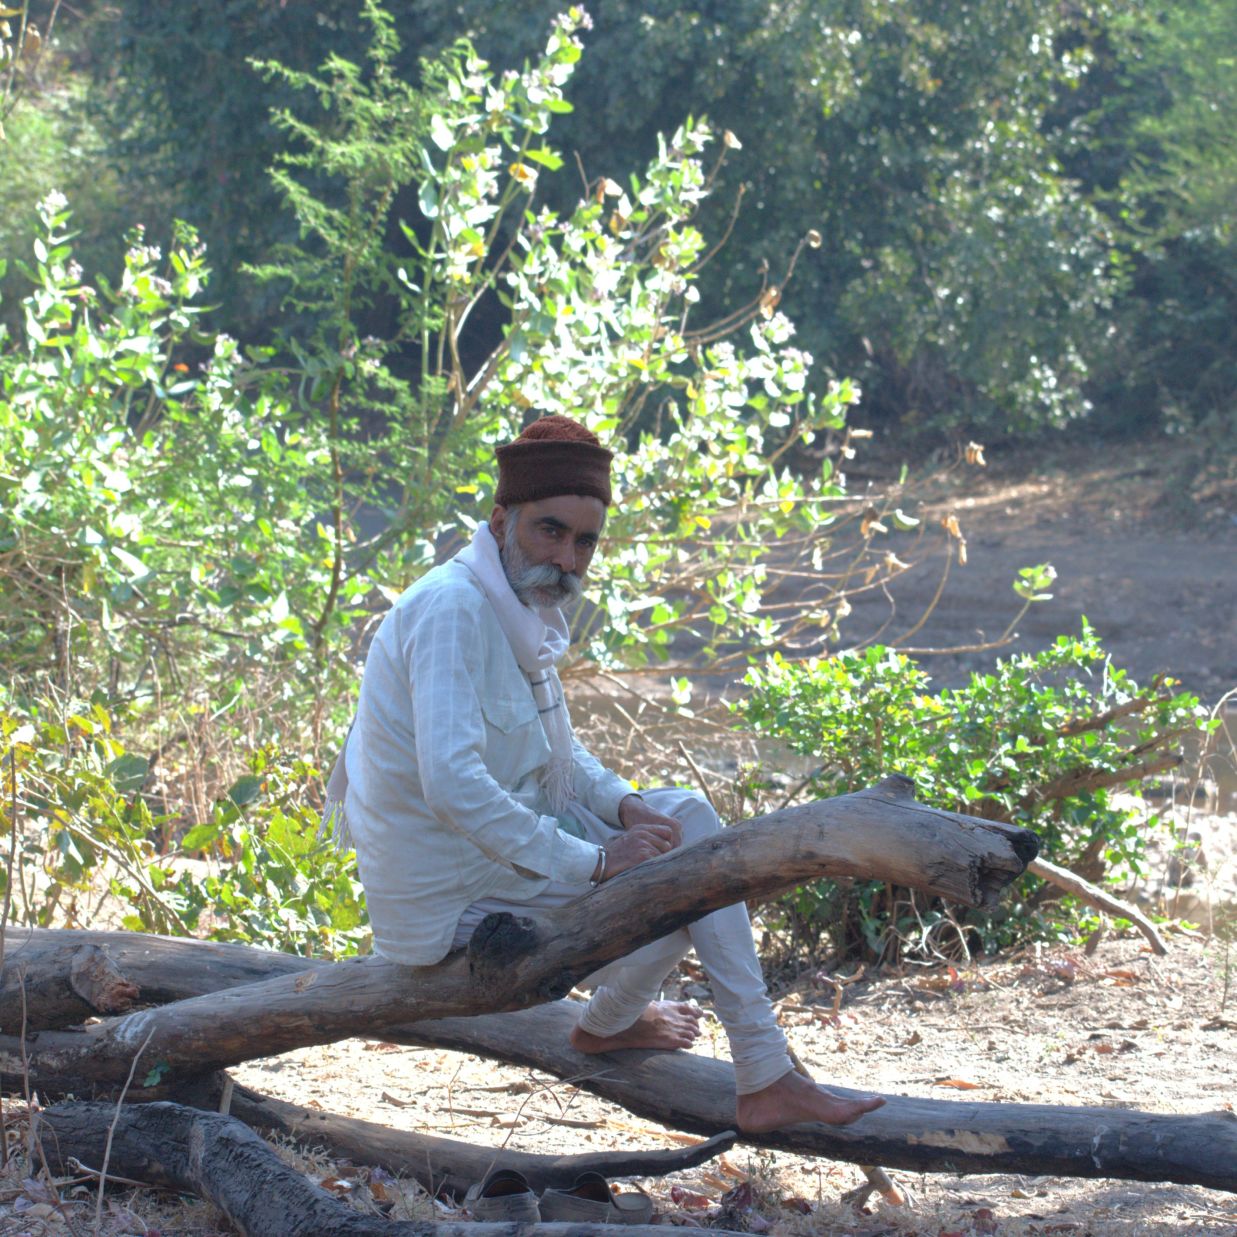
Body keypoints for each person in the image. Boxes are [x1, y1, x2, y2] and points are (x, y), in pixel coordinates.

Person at [326, 414, 884, 1132]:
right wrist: (594, 861)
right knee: (694, 885)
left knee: (685, 825)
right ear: (501, 520)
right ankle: (746, 1066)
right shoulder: (454, 609)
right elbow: (453, 785)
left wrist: (623, 809)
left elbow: (558, 754)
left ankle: (674, 1043)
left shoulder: (518, 606)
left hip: (497, 861)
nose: (565, 556)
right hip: (445, 896)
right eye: (548, 531)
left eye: (583, 540)